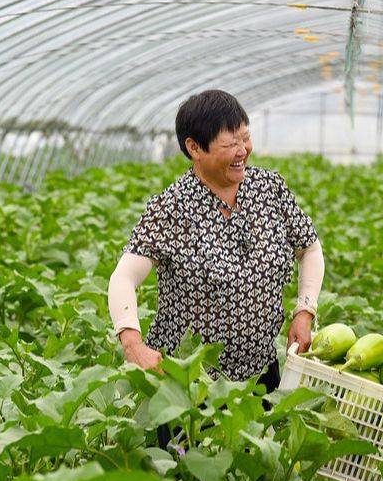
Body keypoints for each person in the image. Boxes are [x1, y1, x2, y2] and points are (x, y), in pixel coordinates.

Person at [107, 90, 323, 424]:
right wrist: (133, 344)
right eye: (230, 144)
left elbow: (308, 247)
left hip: (260, 375)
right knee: (193, 470)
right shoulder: (172, 208)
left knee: (255, 469)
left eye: (246, 138)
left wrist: (305, 310)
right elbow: (124, 277)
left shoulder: (269, 189)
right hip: (191, 383)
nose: (243, 151)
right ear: (194, 148)